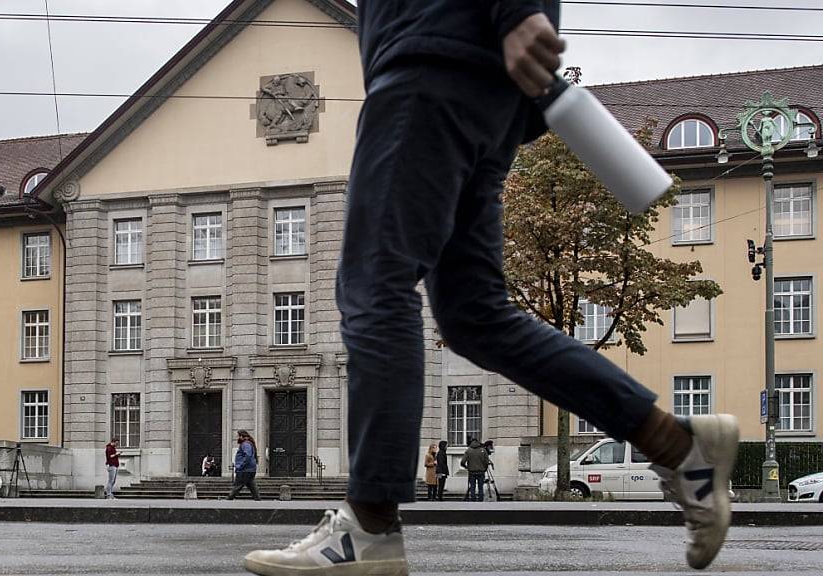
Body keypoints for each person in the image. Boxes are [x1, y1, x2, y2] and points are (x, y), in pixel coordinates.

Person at [243, 2, 739, 574]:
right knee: (475, 316)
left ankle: (368, 527)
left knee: (376, 283)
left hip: (430, 58)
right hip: (479, 83)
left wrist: (514, 9)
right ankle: (679, 446)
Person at [227, 430, 260, 501]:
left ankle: (229, 499)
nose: (237, 438)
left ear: (242, 436)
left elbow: (247, 456)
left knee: (237, 486)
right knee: (251, 485)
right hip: (250, 469)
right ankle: (258, 499)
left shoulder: (245, 444)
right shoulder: (249, 443)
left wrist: (240, 466)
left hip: (245, 469)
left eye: (238, 436)